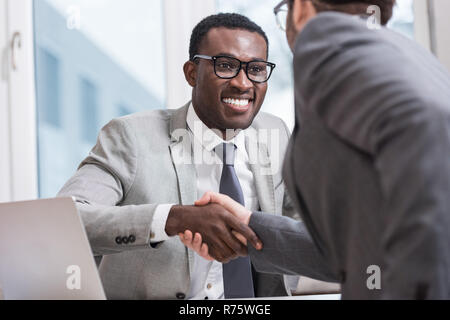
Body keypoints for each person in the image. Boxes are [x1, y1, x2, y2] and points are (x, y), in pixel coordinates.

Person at [181, 0, 450, 299]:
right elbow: (357, 247)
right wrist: (251, 227)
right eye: (226, 65)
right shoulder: (408, 57)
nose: (243, 82)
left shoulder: (332, 50)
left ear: (301, 8)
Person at [58, 13, 311, 300]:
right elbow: (66, 219)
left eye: (256, 69)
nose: (243, 83)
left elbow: (311, 224)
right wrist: (174, 218)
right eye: (225, 66)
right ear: (192, 73)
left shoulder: (274, 132)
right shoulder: (131, 136)